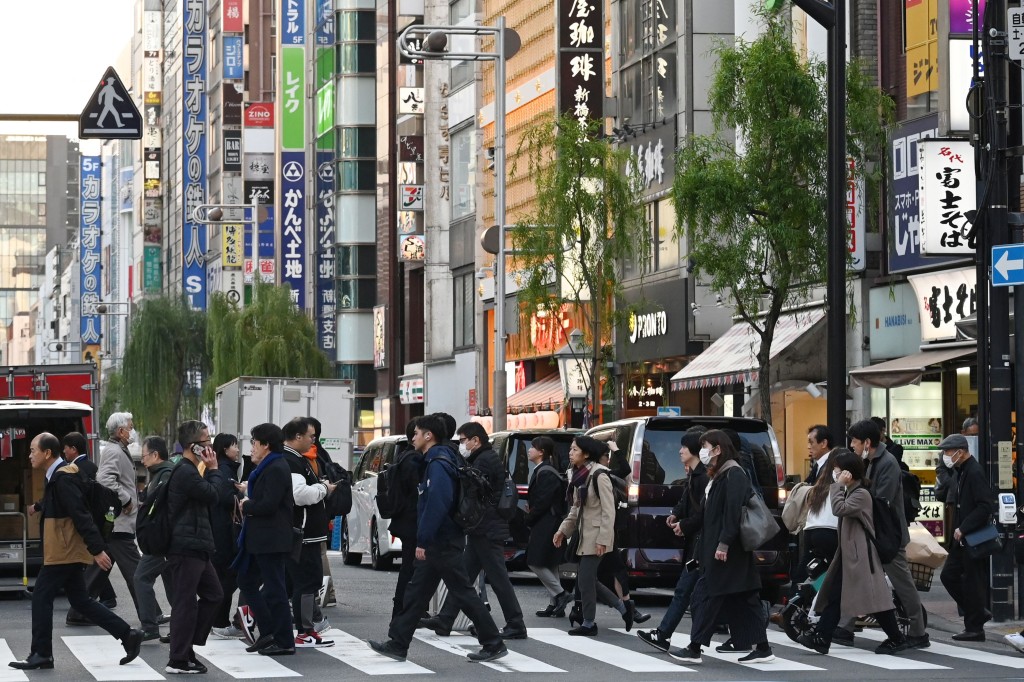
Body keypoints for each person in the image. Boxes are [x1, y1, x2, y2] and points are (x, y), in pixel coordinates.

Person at [369, 414, 507, 662]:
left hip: (441, 541)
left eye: (417, 433)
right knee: (416, 593)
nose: (413, 437)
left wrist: (423, 540)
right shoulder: (442, 457)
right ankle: (398, 643)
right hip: (441, 540)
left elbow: (437, 504)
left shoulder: (438, 463)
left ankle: (493, 642)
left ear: (428, 436)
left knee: (462, 592)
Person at [9, 433, 142, 671]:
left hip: (65, 550)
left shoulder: (63, 478)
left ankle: (41, 654)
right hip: (63, 548)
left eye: (32, 450)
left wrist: (97, 549)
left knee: (41, 597)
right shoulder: (58, 477)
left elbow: (81, 515)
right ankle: (128, 634)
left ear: (47, 453)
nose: (29, 455)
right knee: (81, 600)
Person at [667, 430, 774, 664]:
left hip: (727, 550)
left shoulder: (734, 474)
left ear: (717, 449)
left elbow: (733, 513)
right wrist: (684, 524)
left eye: (705, 446)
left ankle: (694, 647)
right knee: (744, 599)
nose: (702, 450)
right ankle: (763, 647)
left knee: (706, 595)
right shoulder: (717, 475)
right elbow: (707, 513)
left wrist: (723, 544)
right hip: (719, 548)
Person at [796, 449, 910, 655]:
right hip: (850, 556)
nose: (835, 474)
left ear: (848, 473)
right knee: (836, 596)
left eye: (838, 470)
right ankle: (821, 637)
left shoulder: (861, 495)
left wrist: (838, 486)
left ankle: (896, 637)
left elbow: (838, 509)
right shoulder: (853, 492)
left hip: (861, 557)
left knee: (874, 600)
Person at [423, 422, 527, 639]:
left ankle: (516, 623)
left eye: (463, 441)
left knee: (498, 578)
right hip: (483, 528)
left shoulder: (484, 460)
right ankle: (445, 619)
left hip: (487, 529)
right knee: (463, 577)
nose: (461, 445)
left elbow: (473, 494)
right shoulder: (484, 458)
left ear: (476, 440)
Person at [842, 419, 929, 649]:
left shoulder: (887, 463)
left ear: (867, 442)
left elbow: (881, 501)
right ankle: (844, 626)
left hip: (888, 536)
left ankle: (918, 631)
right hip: (875, 533)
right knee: (862, 577)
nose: (852, 445)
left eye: (855, 441)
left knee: (903, 584)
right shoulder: (871, 461)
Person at [164, 420, 232, 674]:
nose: (211, 446)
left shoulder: (191, 470)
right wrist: (214, 469)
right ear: (194, 447)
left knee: (214, 595)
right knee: (185, 603)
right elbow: (214, 495)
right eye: (206, 442)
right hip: (185, 547)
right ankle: (178, 659)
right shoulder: (185, 471)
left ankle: (187, 646)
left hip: (197, 545)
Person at [553, 436, 633, 636]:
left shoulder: (599, 475)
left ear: (586, 454)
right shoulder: (581, 475)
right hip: (584, 535)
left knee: (586, 580)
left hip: (597, 536)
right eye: (570, 449)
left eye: (574, 450)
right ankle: (624, 608)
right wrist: (563, 530)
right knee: (587, 580)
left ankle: (589, 623)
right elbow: (576, 509)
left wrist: (603, 540)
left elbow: (609, 512)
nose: (570, 453)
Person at [68, 412, 143, 626]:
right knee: (137, 572)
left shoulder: (119, 449)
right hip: (118, 521)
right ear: (120, 431)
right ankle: (150, 614)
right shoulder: (114, 451)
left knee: (100, 567)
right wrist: (126, 500)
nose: (132, 430)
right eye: (130, 426)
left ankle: (77, 610)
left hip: (117, 521)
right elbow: (104, 479)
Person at [638, 431, 708, 652]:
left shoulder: (704, 477)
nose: (680, 451)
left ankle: (667, 635)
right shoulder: (695, 475)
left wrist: (683, 525)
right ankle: (667, 635)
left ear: (694, 451)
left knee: (687, 590)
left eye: (684, 448)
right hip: (697, 544)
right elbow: (686, 501)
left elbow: (705, 513)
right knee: (695, 592)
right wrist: (676, 514)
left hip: (702, 545)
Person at [234, 423, 296, 656]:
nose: (251, 447)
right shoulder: (266, 467)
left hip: (271, 539)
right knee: (246, 580)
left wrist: (247, 505)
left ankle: (283, 640)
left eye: (254, 442)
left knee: (275, 589)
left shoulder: (277, 467)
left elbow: (269, 504)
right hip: (260, 538)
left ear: (266, 445)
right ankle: (269, 631)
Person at [281, 417, 336, 648]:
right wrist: (324, 488)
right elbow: (300, 495)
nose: (314, 440)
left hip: (304, 533)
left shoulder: (295, 459)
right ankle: (304, 630)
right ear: (297, 437)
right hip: (303, 534)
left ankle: (301, 628)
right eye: (311, 436)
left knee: (293, 582)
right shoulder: (292, 461)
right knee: (307, 581)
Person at [937, 433, 997, 641]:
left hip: (972, 537)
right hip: (961, 538)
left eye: (948, 452)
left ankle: (975, 626)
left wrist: (963, 528)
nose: (945, 456)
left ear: (960, 452)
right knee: (949, 576)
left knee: (972, 581)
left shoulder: (974, 472)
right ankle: (978, 613)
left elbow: (985, 506)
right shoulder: (960, 471)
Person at [134, 436, 176, 641]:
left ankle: (150, 626)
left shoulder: (165, 475)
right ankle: (179, 626)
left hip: (162, 541)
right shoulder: (161, 473)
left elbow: (161, 509)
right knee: (172, 584)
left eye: (144, 456)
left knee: (141, 578)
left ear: (155, 455)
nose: (142, 460)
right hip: (166, 541)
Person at [525, 436, 572, 617]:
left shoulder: (545, 472)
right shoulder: (543, 470)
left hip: (547, 522)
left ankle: (560, 595)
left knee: (534, 561)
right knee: (549, 562)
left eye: (532, 447)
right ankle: (555, 605)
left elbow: (543, 501)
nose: (529, 450)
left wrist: (529, 517)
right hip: (548, 520)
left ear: (541, 452)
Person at [387, 420, 424, 619]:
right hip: (413, 522)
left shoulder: (406, 457)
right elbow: (417, 492)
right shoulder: (413, 460)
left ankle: (405, 610)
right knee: (410, 568)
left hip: (406, 521)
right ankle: (401, 610)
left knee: (412, 568)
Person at [210, 433, 244, 639]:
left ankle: (217, 619)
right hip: (223, 532)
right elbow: (222, 497)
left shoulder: (225, 468)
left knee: (225, 577)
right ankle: (219, 620)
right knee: (227, 577)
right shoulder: (223, 470)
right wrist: (240, 494)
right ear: (224, 449)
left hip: (221, 530)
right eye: (234, 446)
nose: (238, 450)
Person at [308, 417, 338, 608]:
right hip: (323, 508)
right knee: (320, 552)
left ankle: (325, 593)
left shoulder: (313, 455)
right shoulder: (323, 453)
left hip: (314, 509)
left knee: (318, 552)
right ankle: (328, 592)